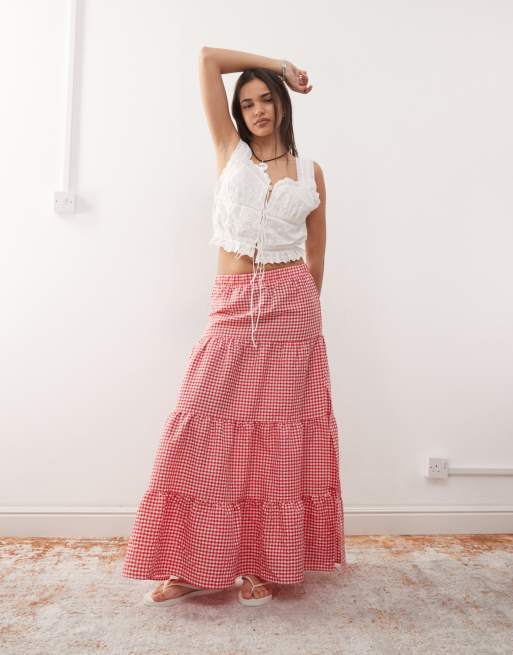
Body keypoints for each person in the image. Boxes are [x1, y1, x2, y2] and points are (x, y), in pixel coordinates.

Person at [122, 46, 347, 607]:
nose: (258, 110)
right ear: (237, 113)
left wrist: (306, 323)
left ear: (282, 106)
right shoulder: (230, 151)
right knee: (202, 427)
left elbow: (317, 254)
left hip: (292, 312)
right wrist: (282, 66)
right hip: (232, 304)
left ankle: (260, 563)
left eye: (267, 98)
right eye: (247, 103)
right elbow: (205, 59)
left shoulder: (310, 172)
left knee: (275, 442)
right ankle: (189, 563)